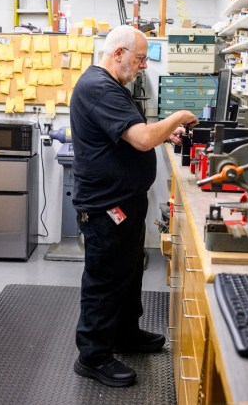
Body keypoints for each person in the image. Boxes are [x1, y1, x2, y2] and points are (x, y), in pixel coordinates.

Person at [69, 25, 199, 387]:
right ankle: (92, 356)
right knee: (105, 279)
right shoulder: (98, 87)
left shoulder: (113, 87)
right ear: (118, 53)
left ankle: (125, 332)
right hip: (106, 207)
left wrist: (165, 133)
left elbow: (131, 132)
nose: (143, 65)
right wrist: (177, 117)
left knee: (128, 273)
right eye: (140, 58)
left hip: (124, 203)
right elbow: (142, 139)